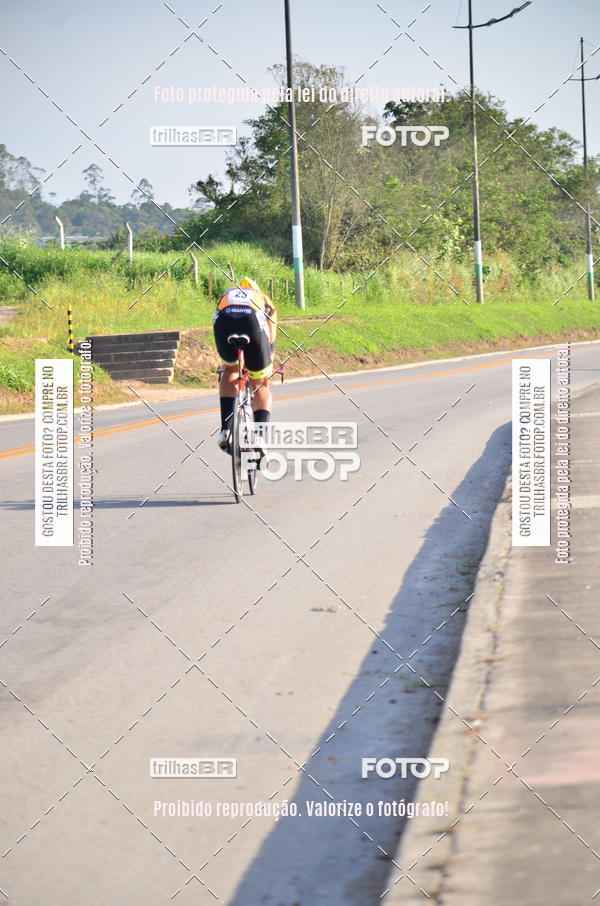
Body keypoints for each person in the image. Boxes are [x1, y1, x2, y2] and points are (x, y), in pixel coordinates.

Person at [213, 277, 277, 451]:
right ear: (257, 288)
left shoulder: (227, 294)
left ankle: (226, 430)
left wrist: (227, 365)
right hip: (252, 322)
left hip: (224, 322)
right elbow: (270, 339)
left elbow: (217, 317)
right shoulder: (263, 298)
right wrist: (265, 367)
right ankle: (259, 437)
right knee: (261, 384)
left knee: (230, 370)